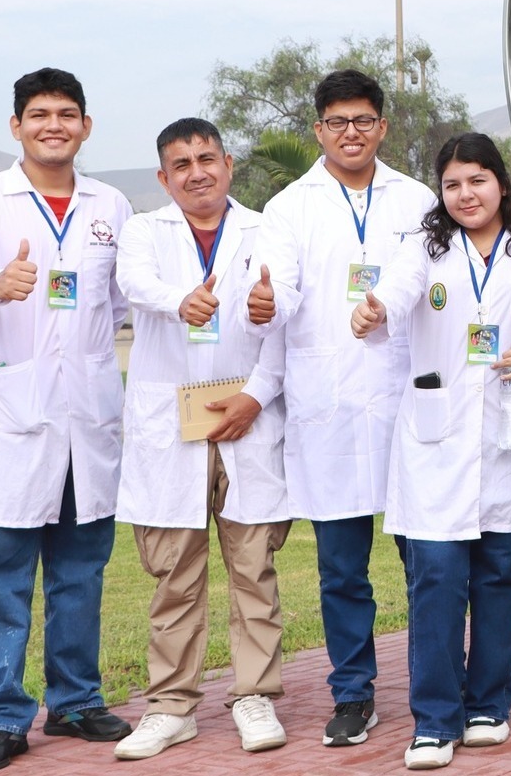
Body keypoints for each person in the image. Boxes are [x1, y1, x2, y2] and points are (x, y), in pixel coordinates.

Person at [351, 133, 511, 770]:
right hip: (437, 441)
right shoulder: (422, 250)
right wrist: (374, 311)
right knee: (437, 579)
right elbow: (397, 292)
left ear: (501, 184)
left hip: (508, 435)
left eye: (477, 180)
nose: (465, 194)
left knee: (501, 577)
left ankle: (488, 705)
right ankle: (433, 719)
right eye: (451, 184)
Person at [0, 68, 134, 771]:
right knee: (2, 577)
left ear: (86, 126)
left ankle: (75, 700)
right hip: (11, 416)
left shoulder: (111, 205)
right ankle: (2, 715)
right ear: (16, 125)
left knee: (81, 573)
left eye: (67, 114)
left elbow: (123, 300)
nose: (55, 125)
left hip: (88, 418)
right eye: (40, 114)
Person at [246, 69, 437, 747]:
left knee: (427, 563)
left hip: (405, 399)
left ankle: (434, 687)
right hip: (327, 406)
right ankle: (353, 693)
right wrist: (265, 302)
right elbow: (278, 287)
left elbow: (430, 278)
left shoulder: (417, 199)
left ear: (382, 126)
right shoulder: (288, 207)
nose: (350, 133)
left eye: (362, 120)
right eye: (337, 122)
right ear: (318, 129)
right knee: (341, 571)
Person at [109, 118, 291, 760]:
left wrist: (257, 394)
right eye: (181, 164)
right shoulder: (144, 231)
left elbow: (285, 322)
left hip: (248, 417)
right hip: (172, 425)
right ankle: (170, 706)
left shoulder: (266, 230)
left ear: (228, 164)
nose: (197, 173)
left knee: (254, 568)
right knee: (174, 574)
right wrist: (178, 300)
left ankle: (254, 695)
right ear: (164, 179)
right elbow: (133, 283)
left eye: (206, 158)